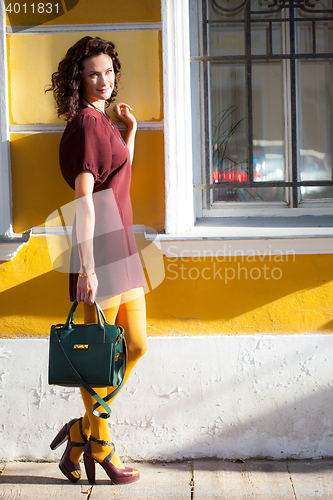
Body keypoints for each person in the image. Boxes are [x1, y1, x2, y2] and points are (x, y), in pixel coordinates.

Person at [46, 36, 147, 485]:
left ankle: (80, 430)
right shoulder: (86, 125)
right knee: (98, 359)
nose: (104, 81)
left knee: (136, 344)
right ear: (78, 79)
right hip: (100, 252)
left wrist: (130, 135)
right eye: (93, 74)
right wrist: (86, 267)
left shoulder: (103, 122)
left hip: (123, 246)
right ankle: (101, 443)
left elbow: (117, 179)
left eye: (108, 72)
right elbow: (84, 203)